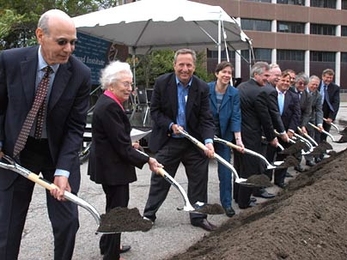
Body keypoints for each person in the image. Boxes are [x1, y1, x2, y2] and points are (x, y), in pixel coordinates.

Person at [0, 9, 91, 260]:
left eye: (73, 42)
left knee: (67, 224)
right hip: (17, 151)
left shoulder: (80, 74)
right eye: (62, 42)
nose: (69, 49)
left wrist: (63, 171)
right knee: (7, 228)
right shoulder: (9, 61)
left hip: (58, 154)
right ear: (40, 35)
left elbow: (75, 127)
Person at [88, 61, 162, 260]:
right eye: (125, 84)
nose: (130, 88)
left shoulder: (108, 102)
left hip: (109, 165)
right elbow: (121, 147)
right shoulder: (110, 106)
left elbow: (116, 138)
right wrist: (148, 160)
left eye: (131, 84)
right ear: (111, 85)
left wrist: (131, 144)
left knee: (113, 208)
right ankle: (111, 255)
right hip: (112, 169)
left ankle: (108, 245)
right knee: (117, 212)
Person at [143, 48, 216, 231]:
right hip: (170, 139)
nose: (185, 69)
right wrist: (171, 125)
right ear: (174, 65)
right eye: (181, 64)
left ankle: (198, 216)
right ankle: (148, 215)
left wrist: (208, 141)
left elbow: (206, 118)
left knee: (199, 180)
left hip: (193, 141)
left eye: (189, 65)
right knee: (161, 178)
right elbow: (155, 112)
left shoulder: (202, 87)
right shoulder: (162, 83)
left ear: (194, 66)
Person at [233, 61, 278, 209]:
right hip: (251, 136)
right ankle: (244, 202)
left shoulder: (241, 87)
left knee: (239, 167)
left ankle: (237, 196)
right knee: (250, 169)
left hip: (238, 135)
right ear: (256, 74)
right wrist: (272, 137)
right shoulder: (260, 92)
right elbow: (265, 119)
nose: (267, 78)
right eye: (265, 75)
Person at [207, 61, 244, 217]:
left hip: (224, 136)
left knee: (226, 171)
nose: (227, 75)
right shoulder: (206, 88)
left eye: (230, 73)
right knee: (200, 171)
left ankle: (227, 203)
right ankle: (200, 204)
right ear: (217, 73)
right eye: (224, 72)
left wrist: (238, 139)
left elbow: (236, 115)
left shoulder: (234, 93)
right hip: (206, 134)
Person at [271, 71, 301, 188]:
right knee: (269, 157)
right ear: (278, 80)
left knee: (283, 157)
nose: (285, 83)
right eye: (283, 80)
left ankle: (280, 180)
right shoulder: (270, 93)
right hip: (272, 132)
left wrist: (291, 130)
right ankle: (265, 182)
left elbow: (296, 114)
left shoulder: (293, 96)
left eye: (288, 81)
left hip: (287, 132)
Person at [289, 72, 312, 172]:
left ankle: (297, 164)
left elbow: (307, 113)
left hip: (299, 123)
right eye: (300, 83)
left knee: (299, 144)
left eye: (304, 84)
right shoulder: (289, 91)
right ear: (295, 82)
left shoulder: (308, 96)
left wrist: (303, 125)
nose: (302, 86)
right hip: (288, 122)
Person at [305, 75, 323, 166]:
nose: (314, 87)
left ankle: (309, 159)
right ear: (308, 83)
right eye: (313, 84)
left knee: (310, 139)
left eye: (317, 85)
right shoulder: (302, 92)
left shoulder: (318, 95)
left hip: (311, 120)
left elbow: (319, 110)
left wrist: (319, 123)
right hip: (299, 119)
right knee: (298, 142)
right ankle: (296, 162)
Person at [318, 68, 340, 143]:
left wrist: (331, 117)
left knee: (323, 136)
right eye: (327, 77)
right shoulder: (316, 84)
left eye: (331, 78)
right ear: (323, 77)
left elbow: (336, 103)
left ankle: (321, 153)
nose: (329, 79)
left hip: (327, 116)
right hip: (314, 115)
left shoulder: (335, 88)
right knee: (315, 135)